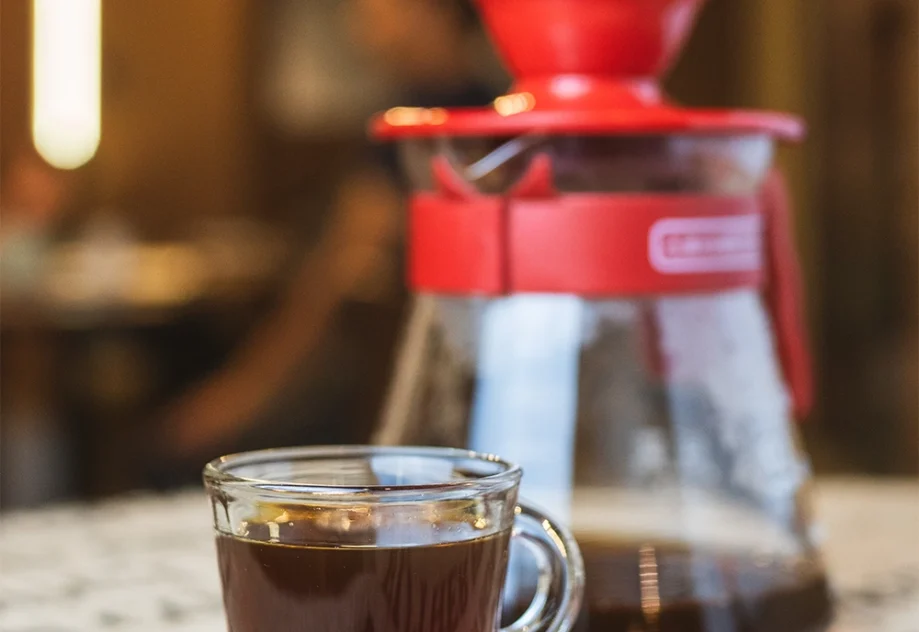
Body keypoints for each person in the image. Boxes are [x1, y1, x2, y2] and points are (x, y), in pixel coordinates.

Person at [157, 0, 499, 469]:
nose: (360, 23)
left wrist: (242, 394)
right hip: (450, 388)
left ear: (430, 11)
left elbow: (340, 268)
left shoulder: (423, 126)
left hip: (389, 387)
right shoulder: (491, 106)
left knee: (171, 453)